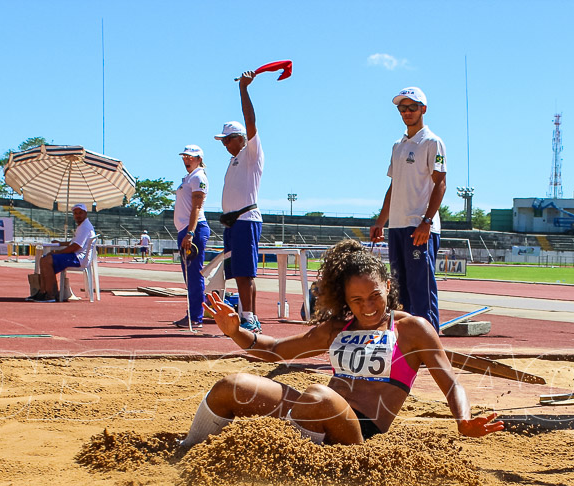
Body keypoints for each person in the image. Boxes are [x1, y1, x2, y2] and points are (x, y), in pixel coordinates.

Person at [180, 240, 503, 447]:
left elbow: (450, 382)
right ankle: (189, 451)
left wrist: (462, 420)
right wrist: (236, 332)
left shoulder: (412, 329)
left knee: (319, 395)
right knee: (230, 385)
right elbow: (275, 351)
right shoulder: (337, 328)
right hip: (313, 411)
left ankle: (288, 453)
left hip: (358, 431)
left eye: (375, 295)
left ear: (388, 286)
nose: (368, 306)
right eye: (357, 300)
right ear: (346, 299)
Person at [370, 87, 447, 331]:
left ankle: (428, 344)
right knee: (399, 288)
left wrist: (427, 221)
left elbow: (441, 183)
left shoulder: (432, 142)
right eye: (402, 108)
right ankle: (404, 343)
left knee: (421, 289)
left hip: (419, 226)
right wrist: (381, 221)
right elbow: (394, 186)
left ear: (423, 109)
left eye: (412, 107)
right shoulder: (398, 145)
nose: (407, 112)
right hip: (398, 226)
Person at [217, 70, 265, 333]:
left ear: (241, 138)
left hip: (246, 220)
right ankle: (250, 314)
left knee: (245, 272)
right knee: (239, 271)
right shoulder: (233, 161)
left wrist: (244, 90)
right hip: (234, 222)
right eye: (223, 141)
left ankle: (248, 316)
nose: (225, 144)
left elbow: (250, 120)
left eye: (228, 139)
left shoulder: (251, 154)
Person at [173, 145, 211, 331]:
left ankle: (196, 316)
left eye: (190, 157)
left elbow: (197, 206)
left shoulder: (197, 177)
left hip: (193, 230)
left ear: (199, 159)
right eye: (184, 156)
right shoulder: (189, 177)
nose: (186, 159)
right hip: (186, 229)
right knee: (190, 276)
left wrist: (190, 232)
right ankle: (195, 312)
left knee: (194, 274)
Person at [27, 203, 96, 302]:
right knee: (44, 259)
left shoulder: (84, 227)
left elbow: (76, 246)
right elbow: (74, 242)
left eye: (80, 213)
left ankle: (50, 295)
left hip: (78, 258)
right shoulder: (83, 226)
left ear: (85, 213)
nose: (78, 215)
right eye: (76, 213)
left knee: (47, 260)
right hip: (77, 256)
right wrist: (61, 243)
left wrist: (57, 253)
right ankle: (43, 291)